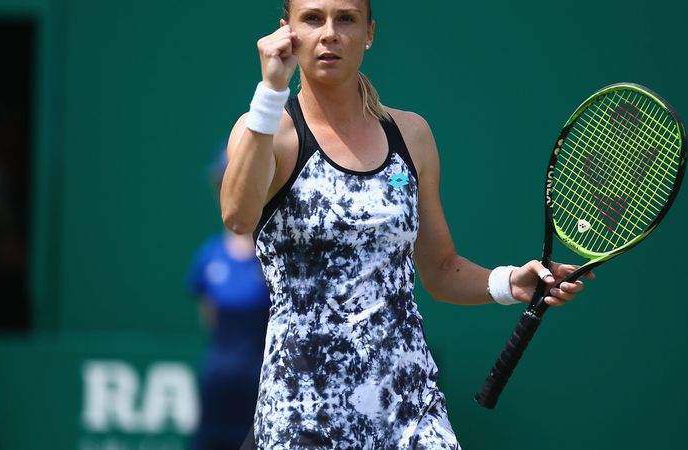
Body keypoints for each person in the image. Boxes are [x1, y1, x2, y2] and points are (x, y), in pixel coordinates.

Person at [221, 0, 594, 448]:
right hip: (303, 413)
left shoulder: (411, 134)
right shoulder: (265, 129)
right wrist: (270, 92)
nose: (330, 33)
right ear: (288, 32)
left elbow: (440, 268)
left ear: (369, 33)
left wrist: (513, 282)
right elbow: (238, 217)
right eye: (313, 18)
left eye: (346, 19)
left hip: (409, 405)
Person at [187, 147, 271, 450]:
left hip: (264, 389)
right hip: (217, 386)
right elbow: (210, 320)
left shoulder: (274, 257)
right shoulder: (208, 257)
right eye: (222, 180)